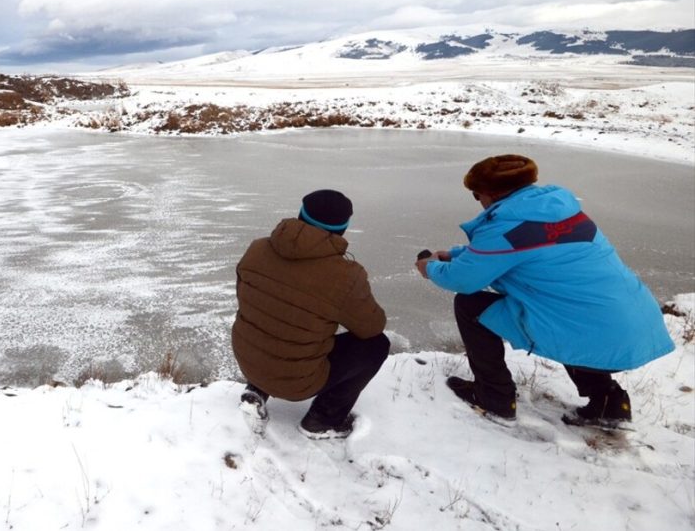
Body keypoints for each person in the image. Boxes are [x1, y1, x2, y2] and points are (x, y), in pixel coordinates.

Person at [415, 154, 675, 426]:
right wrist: (458, 253)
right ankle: (609, 402)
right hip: (635, 326)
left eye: (476, 194)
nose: (478, 201)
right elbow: (523, 247)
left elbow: (463, 280)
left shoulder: (505, 227)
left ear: (491, 193)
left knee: (469, 305)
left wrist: (429, 267)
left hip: (595, 333)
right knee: (567, 310)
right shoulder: (560, 209)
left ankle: (494, 398)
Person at [232, 189, 390, 439]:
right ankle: (322, 421)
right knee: (377, 346)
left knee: (271, 314)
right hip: (296, 382)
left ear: (300, 216)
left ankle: (257, 390)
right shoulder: (346, 275)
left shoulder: (257, 249)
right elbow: (372, 327)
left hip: (247, 358)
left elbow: (245, 296)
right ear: (343, 229)